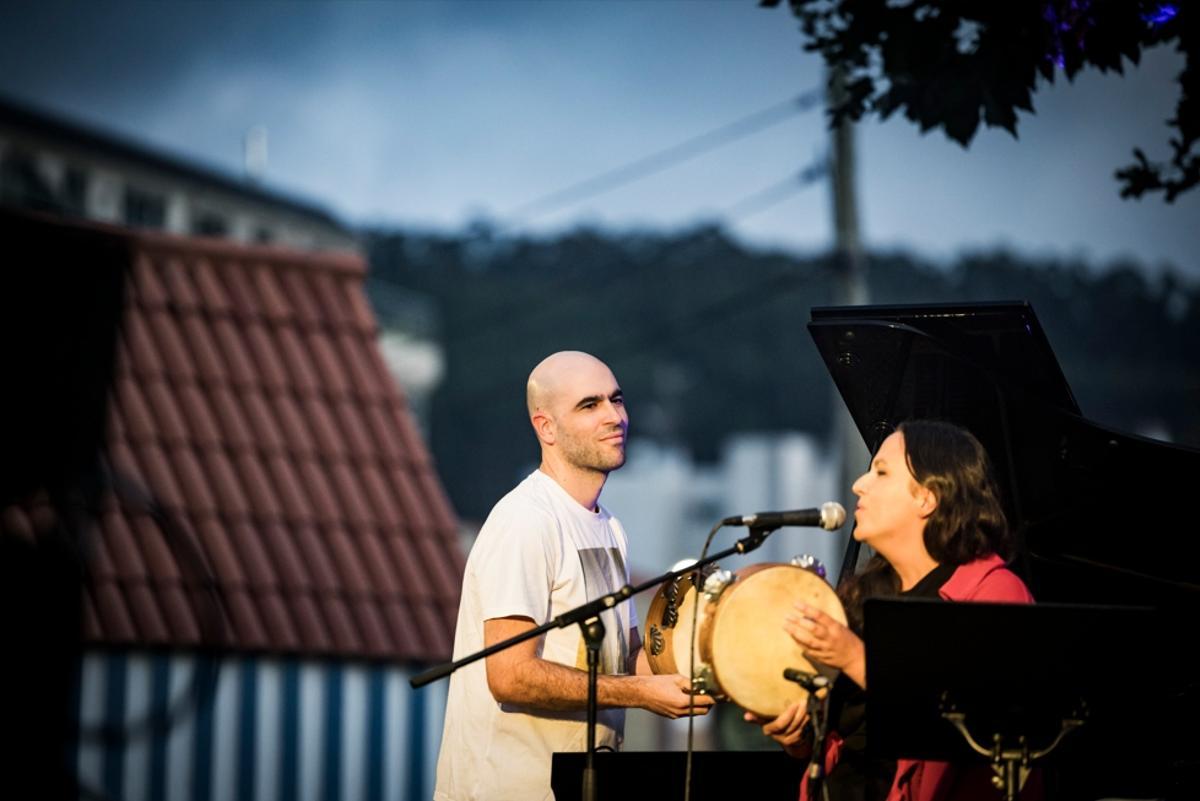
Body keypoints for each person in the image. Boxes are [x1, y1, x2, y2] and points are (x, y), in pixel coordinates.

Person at [434, 351, 713, 801]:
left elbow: (629, 657)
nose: (614, 417)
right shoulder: (525, 520)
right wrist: (641, 693)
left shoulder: (610, 528)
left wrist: (723, 657)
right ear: (546, 428)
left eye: (616, 400)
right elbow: (509, 674)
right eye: (590, 405)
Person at [747, 419, 1034, 801]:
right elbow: (847, 737)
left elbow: (973, 721)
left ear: (927, 497)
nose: (859, 485)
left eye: (881, 472)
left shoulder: (994, 593)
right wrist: (800, 736)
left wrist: (853, 657)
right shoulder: (868, 598)